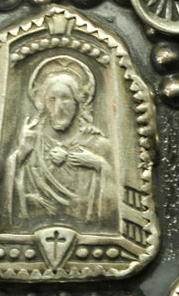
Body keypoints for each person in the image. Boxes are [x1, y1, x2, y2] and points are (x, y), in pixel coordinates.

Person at [6, 56, 115, 226]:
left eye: (65, 99)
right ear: (42, 104)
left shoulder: (97, 144)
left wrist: (98, 164)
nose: (59, 108)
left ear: (78, 102)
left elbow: (114, 205)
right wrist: (22, 152)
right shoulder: (32, 142)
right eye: (52, 100)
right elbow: (8, 200)